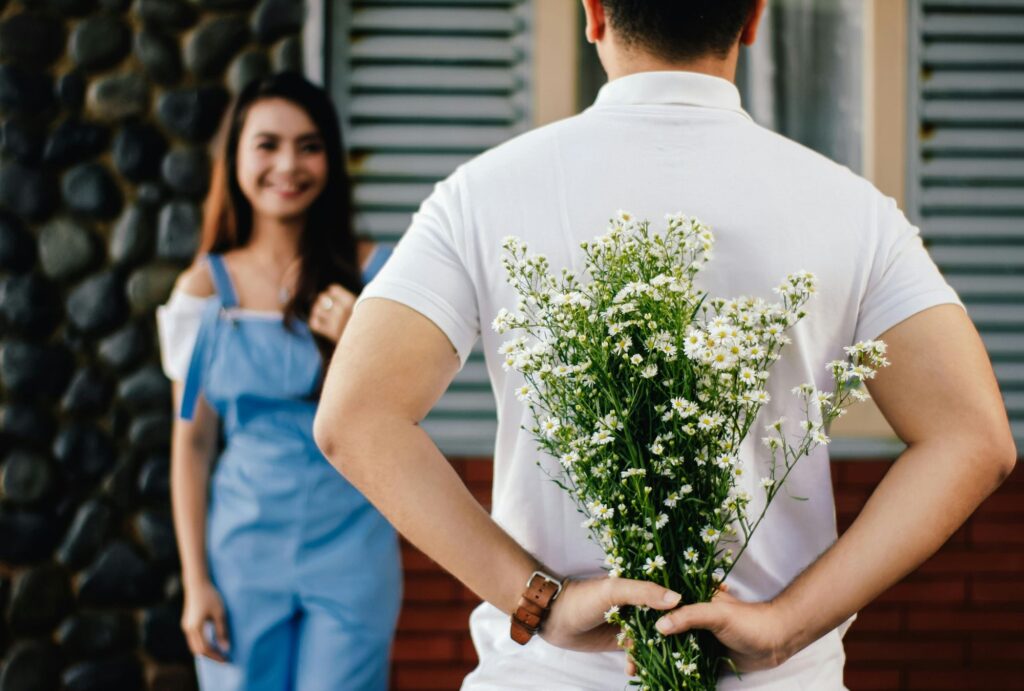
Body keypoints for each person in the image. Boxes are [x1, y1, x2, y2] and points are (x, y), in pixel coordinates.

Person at [313, 1, 1016, 689]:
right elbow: (975, 438)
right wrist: (787, 623)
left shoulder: (482, 194)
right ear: (752, 19)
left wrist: (540, 601)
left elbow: (355, 417)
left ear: (593, 14)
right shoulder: (854, 209)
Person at [157, 72, 400, 691]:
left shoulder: (378, 275)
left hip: (354, 549)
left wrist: (359, 346)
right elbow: (192, 444)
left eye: (310, 145)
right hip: (241, 554)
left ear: (331, 159)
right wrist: (196, 582)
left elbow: (408, 419)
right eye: (267, 144)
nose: (288, 164)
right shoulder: (204, 290)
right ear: (235, 155)